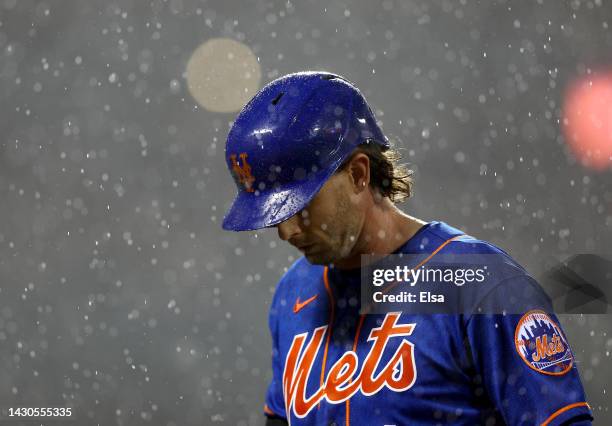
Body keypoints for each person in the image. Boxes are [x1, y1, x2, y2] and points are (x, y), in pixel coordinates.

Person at [222, 71, 593, 425]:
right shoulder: (293, 293)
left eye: (299, 207)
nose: (286, 231)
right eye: (274, 216)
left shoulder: (477, 285)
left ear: (358, 174)